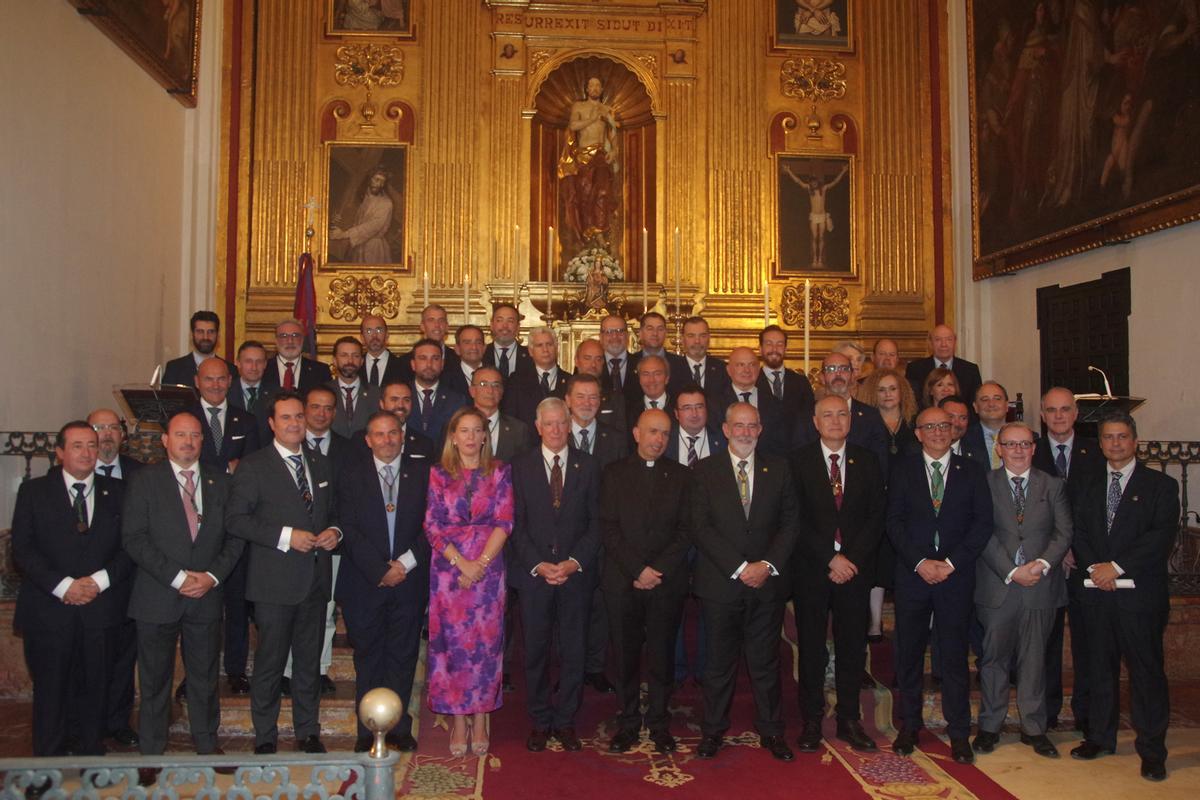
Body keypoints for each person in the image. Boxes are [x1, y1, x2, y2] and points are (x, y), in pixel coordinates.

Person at [122, 412, 243, 766]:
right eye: (180, 435)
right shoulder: (144, 481)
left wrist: (212, 577)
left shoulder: (221, 481)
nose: (188, 442)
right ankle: (151, 754)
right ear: (165, 440)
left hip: (206, 595)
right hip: (157, 595)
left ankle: (207, 745)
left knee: (204, 677)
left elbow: (235, 537)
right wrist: (178, 578)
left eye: (194, 435)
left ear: (203, 440)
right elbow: (134, 538)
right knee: (154, 680)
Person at [226, 392, 341, 754]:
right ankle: (265, 734)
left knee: (308, 663)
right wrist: (287, 536)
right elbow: (236, 520)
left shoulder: (321, 463)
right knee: (270, 663)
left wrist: (335, 532)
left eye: (299, 417)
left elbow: (334, 512)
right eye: (286, 417)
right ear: (272, 424)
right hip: (273, 583)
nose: (294, 424)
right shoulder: (254, 466)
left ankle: (308, 731)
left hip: (315, 581)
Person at [12, 421, 131, 761]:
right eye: (78, 445)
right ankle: (46, 766)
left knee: (96, 690)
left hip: (101, 610)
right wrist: (64, 586)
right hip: (49, 611)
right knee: (50, 692)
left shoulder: (119, 492)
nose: (87, 452)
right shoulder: (34, 492)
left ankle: (92, 758)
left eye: (92, 445)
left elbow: (131, 547)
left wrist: (98, 582)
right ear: (60, 452)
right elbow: (22, 550)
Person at [1070, 412, 1179, 783]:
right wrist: (1095, 568)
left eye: (1121, 437)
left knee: (1146, 674)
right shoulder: (1086, 484)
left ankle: (1152, 751)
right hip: (1096, 593)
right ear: (1100, 443)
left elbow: (1160, 536)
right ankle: (1100, 738)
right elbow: (1077, 531)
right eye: (1108, 437)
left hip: (1139, 597)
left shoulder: (1161, 486)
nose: (1115, 443)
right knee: (1099, 669)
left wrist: (1115, 568)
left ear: (1135, 441)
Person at [692, 402, 800, 762]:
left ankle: (772, 730)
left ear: (760, 429)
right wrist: (740, 567)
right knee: (718, 664)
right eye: (739, 426)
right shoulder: (704, 470)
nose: (745, 432)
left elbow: (790, 523)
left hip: (766, 584)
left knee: (765, 662)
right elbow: (700, 526)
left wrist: (766, 565)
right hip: (721, 583)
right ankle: (712, 731)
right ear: (725, 430)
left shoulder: (779, 468)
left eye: (752, 425)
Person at [888, 407, 992, 765]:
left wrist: (950, 563)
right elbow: (893, 522)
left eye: (943, 425)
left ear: (953, 430)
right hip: (913, 576)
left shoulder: (972, 470)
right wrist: (920, 563)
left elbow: (982, 523)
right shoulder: (902, 469)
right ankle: (909, 726)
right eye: (929, 426)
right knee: (909, 654)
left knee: (954, 656)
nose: (937, 431)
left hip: (955, 577)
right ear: (917, 433)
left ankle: (959, 731)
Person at [790, 396, 885, 754]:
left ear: (850, 420)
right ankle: (812, 720)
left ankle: (849, 719)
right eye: (827, 415)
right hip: (813, 571)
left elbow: (876, 516)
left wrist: (850, 559)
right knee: (812, 648)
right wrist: (831, 558)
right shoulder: (797, 461)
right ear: (815, 422)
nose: (835, 421)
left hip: (855, 572)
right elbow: (794, 518)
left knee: (852, 648)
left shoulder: (867, 460)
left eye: (841, 414)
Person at [973, 422, 1072, 760]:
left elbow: (1064, 532)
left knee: (1035, 660)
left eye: (1024, 444)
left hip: (1040, 586)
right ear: (998, 449)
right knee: (993, 660)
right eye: (1011, 444)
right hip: (997, 585)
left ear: (1033, 448)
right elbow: (981, 532)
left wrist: (1040, 565)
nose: (1018, 450)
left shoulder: (1053, 485)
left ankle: (1034, 728)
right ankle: (990, 726)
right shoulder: (983, 484)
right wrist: (1012, 571)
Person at [509, 398, 601, 753]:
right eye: (549, 423)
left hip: (575, 576)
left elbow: (597, 523)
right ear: (538, 427)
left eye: (562, 422)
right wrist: (538, 564)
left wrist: (574, 562)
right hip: (535, 577)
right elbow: (515, 524)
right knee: (535, 651)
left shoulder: (588, 465)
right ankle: (540, 720)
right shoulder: (519, 466)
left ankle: (565, 721)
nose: (556, 429)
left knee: (574, 651)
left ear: (570, 423)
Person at [337, 411, 430, 753]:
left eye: (393, 433)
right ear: (368, 440)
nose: (387, 440)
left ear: (402, 436)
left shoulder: (424, 474)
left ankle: (399, 726)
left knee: (403, 657)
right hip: (365, 582)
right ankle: (368, 727)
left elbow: (433, 525)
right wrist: (379, 570)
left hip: (409, 580)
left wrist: (403, 564)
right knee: (368, 657)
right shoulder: (350, 475)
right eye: (379, 434)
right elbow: (347, 527)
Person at [601, 409, 692, 754]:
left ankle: (658, 723)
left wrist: (657, 570)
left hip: (666, 582)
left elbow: (686, 531)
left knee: (661, 656)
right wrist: (637, 569)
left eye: (665, 433)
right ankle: (627, 722)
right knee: (625, 657)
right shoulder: (614, 473)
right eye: (653, 432)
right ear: (637, 433)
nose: (659, 439)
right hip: (622, 580)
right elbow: (608, 527)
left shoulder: (682, 476)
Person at [425, 407, 514, 756]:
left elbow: (505, 521)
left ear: (485, 437)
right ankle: (459, 720)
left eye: (478, 430)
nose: (471, 437)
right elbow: (432, 525)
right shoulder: (437, 474)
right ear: (453, 436)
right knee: (452, 649)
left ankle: (480, 717)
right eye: (464, 430)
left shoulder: (500, 471)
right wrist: (462, 563)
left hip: (488, 572)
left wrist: (480, 564)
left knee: (485, 647)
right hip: (448, 573)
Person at [1033, 386, 1105, 734]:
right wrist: (1055, 550)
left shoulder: (1097, 452)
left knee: (1086, 641)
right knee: (1046, 642)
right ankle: (1046, 713)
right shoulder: (1030, 452)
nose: (1058, 416)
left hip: (1084, 562)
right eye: (1051, 410)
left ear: (1076, 414)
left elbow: (1100, 509)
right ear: (1042, 415)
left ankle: (1086, 714)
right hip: (1045, 560)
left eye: (1065, 409)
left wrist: (1076, 547)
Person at [86, 408, 143, 748]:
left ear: (123, 434)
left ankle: (118, 722)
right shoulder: (71, 472)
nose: (106, 433)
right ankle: (86, 726)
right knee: (88, 663)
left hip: (127, 580)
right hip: (85, 586)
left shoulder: (140, 473)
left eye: (112, 427)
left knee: (123, 659)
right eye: (99, 427)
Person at [566, 373, 624, 695]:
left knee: (601, 604)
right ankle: (570, 668)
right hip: (568, 535)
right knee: (569, 608)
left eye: (593, 397)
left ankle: (596, 667)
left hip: (605, 533)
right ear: (568, 401)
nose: (587, 403)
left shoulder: (615, 439)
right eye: (581, 396)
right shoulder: (556, 433)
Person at [854, 368, 916, 642]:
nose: (887, 394)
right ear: (872, 394)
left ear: (902, 392)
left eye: (892, 389)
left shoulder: (914, 424)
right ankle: (875, 623)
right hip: (875, 501)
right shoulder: (865, 424)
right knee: (877, 562)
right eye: (881, 390)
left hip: (909, 503)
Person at [794, 352, 890, 474]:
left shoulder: (871, 416)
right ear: (822, 377)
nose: (838, 374)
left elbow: (880, 465)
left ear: (852, 375)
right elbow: (799, 461)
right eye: (831, 369)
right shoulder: (806, 416)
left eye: (844, 369)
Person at [558, 77, 620, 244]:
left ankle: (599, 231)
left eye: (598, 85)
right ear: (587, 89)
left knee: (603, 191)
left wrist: (614, 150)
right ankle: (587, 233)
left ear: (601, 89)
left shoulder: (607, 109)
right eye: (591, 85)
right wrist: (593, 118)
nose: (595, 88)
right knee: (584, 193)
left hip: (600, 156)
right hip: (583, 156)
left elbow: (612, 132)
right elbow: (573, 126)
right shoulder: (579, 106)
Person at [713, 346, 789, 456]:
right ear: (729, 370)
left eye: (752, 365)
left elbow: (780, 443)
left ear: (758, 369)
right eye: (740, 365)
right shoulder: (715, 403)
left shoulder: (774, 403)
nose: (747, 370)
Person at [192, 357, 260, 474]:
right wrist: (227, 469)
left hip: (236, 485)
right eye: (208, 379)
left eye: (221, 379)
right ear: (197, 382)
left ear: (229, 381)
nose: (215, 386)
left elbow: (253, 465)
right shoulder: (183, 418)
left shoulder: (247, 420)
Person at [782, 161, 848, 267]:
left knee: (821, 238)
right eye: (812, 183)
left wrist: (843, 171)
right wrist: (789, 171)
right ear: (811, 183)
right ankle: (814, 260)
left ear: (817, 182)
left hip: (822, 216)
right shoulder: (809, 189)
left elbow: (835, 182)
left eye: (815, 182)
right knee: (814, 237)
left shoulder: (823, 189)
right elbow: (798, 181)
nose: (814, 184)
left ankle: (820, 260)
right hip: (814, 216)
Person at [408, 337, 468, 452]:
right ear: (413, 364)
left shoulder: (456, 400)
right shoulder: (401, 396)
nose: (429, 364)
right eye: (423, 358)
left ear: (442, 364)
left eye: (435, 358)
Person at [501, 327, 568, 429]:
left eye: (549, 344)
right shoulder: (516, 381)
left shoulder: (570, 381)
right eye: (539, 345)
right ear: (531, 351)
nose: (545, 350)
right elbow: (510, 419)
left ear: (556, 348)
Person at [905, 325, 982, 413]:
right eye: (938, 340)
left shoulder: (970, 370)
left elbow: (976, 405)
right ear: (930, 343)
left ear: (955, 342)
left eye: (949, 339)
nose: (944, 344)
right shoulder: (915, 369)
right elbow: (910, 403)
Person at [329, 168, 395, 263]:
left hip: (373, 248)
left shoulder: (386, 203)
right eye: (376, 179)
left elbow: (372, 227)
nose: (379, 184)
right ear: (369, 178)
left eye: (382, 182)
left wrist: (343, 234)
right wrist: (337, 220)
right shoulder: (364, 197)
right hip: (357, 246)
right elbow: (351, 218)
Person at [758, 325, 816, 431]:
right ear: (760, 348)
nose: (774, 349)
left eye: (779, 344)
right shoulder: (752, 381)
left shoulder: (801, 383)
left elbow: (809, 420)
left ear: (785, 349)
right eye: (769, 344)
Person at [260, 319, 332, 397]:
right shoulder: (263, 368)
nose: (290, 341)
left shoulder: (320, 371)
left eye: (295, 335)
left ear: (302, 340)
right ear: (276, 341)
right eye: (284, 336)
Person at [163, 311, 235, 387]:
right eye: (200, 332)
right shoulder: (174, 369)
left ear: (217, 335)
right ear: (192, 334)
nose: (205, 337)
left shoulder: (231, 370)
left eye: (211, 332)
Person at [328, 336, 377, 439]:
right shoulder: (324, 392)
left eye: (355, 356)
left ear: (362, 361)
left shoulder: (376, 394)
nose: (350, 360)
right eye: (344, 355)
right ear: (334, 360)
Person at [574, 338, 627, 432]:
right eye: (587, 358)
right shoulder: (562, 394)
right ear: (576, 361)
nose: (593, 365)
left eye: (598, 359)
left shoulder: (615, 398)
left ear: (603, 363)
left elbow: (620, 435)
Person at [671, 317, 729, 401]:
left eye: (702, 336)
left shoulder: (723, 369)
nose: (697, 341)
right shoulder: (671, 370)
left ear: (709, 339)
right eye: (691, 336)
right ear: (682, 339)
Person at [962, 382, 1010, 471]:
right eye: (984, 399)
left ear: (1007, 405)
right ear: (975, 407)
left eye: (997, 399)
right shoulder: (963, 438)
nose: (991, 404)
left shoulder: (1028, 438)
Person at [405, 304, 462, 377]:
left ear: (447, 327)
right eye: (431, 320)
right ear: (422, 326)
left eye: (441, 320)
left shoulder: (459, 360)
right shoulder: (405, 362)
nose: (437, 325)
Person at [483, 304, 530, 379]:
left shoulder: (531, 356)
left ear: (518, 327)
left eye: (510, 321)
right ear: (491, 325)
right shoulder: (481, 353)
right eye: (499, 320)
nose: (505, 326)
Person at [359, 315, 407, 388]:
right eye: (369, 331)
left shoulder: (403, 366)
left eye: (379, 330)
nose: (374, 336)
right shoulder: (356, 366)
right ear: (362, 338)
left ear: (387, 335)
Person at [447, 324, 487, 397]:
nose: (474, 347)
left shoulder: (496, 375)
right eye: (467, 343)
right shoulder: (446, 379)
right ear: (457, 349)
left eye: (478, 342)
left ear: (484, 348)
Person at [598, 314, 632, 394]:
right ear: (601, 337)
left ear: (627, 336)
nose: (615, 336)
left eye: (620, 331)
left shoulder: (641, 363)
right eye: (609, 332)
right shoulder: (593, 365)